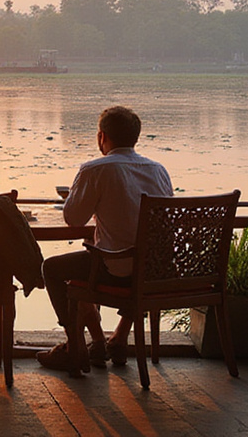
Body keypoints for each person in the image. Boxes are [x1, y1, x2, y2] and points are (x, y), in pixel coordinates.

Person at [36, 105, 173, 373]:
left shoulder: (95, 169)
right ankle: (115, 339)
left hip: (115, 270)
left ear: (102, 137)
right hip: (156, 270)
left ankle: (75, 345)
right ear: (136, 137)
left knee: (53, 269)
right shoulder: (159, 170)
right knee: (120, 258)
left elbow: (73, 218)